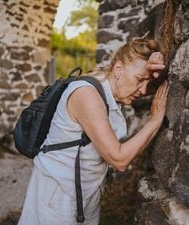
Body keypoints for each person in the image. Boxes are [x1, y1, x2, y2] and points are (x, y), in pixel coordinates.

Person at [17, 37, 168, 225]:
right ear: (119, 69)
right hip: (58, 196)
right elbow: (119, 159)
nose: (144, 90)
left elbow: (151, 81)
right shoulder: (87, 95)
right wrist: (155, 121)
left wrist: (159, 63)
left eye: (147, 82)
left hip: (85, 193)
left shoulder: (108, 85)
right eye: (139, 80)